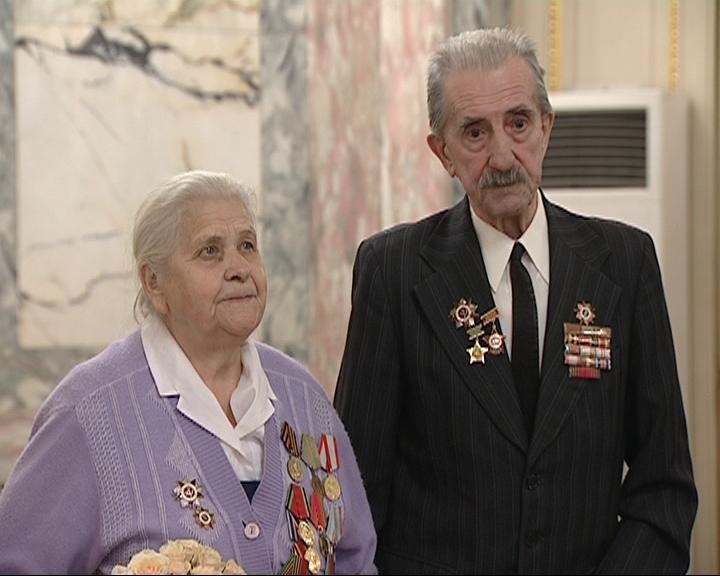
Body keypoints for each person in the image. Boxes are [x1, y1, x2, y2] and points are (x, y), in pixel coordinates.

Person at [334, 27, 697, 574]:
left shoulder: (625, 262)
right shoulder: (393, 270)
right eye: (475, 133)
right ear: (442, 152)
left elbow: (664, 487)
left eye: (519, 123)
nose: (503, 154)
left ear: (547, 127)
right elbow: (355, 493)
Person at [0, 170, 377, 575]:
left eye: (247, 245)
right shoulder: (89, 413)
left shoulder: (303, 397)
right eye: (210, 251)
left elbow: (355, 560)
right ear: (154, 282)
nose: (239, 268)